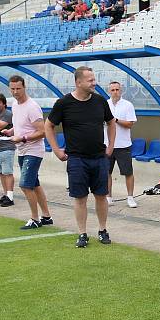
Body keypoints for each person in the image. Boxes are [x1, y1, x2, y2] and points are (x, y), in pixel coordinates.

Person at [46, 66, 115, 248]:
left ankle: (102, 230)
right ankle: (82, 233)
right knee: (80, 198)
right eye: (90, 80)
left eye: (94, 79)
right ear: (78, 82)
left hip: (99, 157)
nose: (94, 83)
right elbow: (48, 126)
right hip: (76, 159)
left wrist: (111, 146)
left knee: (101, 195)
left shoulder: (101, 101)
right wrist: (56, 149)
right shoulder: (64, 103)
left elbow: (111, 122)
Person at [6, 75, 53, 230]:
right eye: (12, 89)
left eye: (18, 88)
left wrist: (23, 138)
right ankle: (46, 216)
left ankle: (35, 219)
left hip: (33, 150)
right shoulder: (14, 104)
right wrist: (11, 131)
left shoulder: (32, 106)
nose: (15, 92)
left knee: (26, 185)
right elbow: (20, 123)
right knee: (34, 184)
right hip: (22, 150)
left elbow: (43, 131)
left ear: (24, 87)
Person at [105, 81, 138, 208]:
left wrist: (116, 120)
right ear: (109, 91)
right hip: (107, 145)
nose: (115, 92)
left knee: (128, 172)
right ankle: (108, 197)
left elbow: (130, 123)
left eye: (117, 89)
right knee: (106, 172)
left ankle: (130, 197)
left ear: (121, 90)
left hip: (123, 145)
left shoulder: (127, 105)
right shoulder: (105, 104)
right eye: (112, 90)